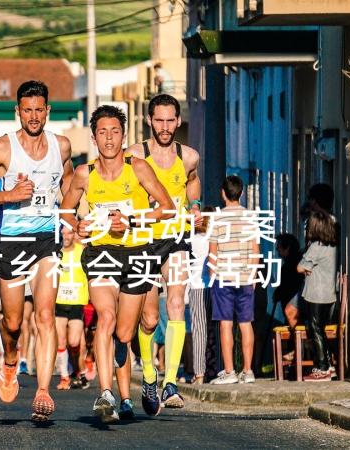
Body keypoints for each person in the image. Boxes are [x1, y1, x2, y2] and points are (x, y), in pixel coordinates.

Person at [0, 80, 74, 422]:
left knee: (45, 315)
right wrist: (9, 196)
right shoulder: (2, 148)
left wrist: (72, 217)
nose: (33, 116)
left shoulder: (62, 146)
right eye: (27, 110)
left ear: (48, 111)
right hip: (10, 241)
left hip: (46, 238)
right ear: (18, 111)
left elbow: (68, 184)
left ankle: (42, 390)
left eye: (39, 109)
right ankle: (10, 361)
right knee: (13, 322)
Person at [60, 105, 174, 423]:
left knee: (124, 333)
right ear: (94, 137)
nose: (108, 138)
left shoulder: (137, 168)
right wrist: (78, 225)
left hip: (137, 253)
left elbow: (166, 208)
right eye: (102, 132)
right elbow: (67, 210)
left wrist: (132, 220)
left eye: (114, 131)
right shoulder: (85, 174)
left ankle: (132, 387)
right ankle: (106, 393)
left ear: (123, 135)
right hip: (100, 253)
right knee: (106, 318)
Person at [125, 94, 202, 413]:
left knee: (176, 303)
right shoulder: (134, 155)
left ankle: (171, 383)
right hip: (144, 239)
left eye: (171, 120)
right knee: (148, 317)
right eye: (159, 120)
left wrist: (195, 207)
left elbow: (193, 184)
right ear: (149, 121)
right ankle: (149, 375)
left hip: (176, 237)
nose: (165, 126)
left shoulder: (189, 156)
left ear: (178, 121)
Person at [209, 176, 261, 385]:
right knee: (246, 324)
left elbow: (213, 252)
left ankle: (229, 371)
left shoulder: (218, 219)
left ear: (223, 193)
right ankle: (247, 371)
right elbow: (255, 250)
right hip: (245, 276)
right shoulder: (250, 217)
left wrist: (213, 275)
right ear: (240, 193)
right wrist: (253, 274)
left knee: (225, 324)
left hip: (223, 276)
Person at [298, 212, 338, 382]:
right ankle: (329, 365)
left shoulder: (316, 246)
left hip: (316, 294)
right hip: (329, 294)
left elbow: (300, 267)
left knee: (315, 330)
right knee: (321, 330)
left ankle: (322, 367)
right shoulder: (332, 246)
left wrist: (306, 268)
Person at [54, 226, 89, 390]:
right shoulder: (54, 253)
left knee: (74, 342)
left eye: (69, 233)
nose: (66, 236)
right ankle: (64, 377)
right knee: (61, 341)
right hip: (59, 301)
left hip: (77, 301)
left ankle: (80, 371)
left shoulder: (83, 251)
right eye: (63, 233)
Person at [186, 205, 215, 385]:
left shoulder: (193, 239)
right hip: (215, 286)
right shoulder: (215, 240)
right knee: (217, 329)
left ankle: (199, 374)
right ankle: (216, 368)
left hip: (196, 286)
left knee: (199, 331)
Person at [18, 283, 35, 375]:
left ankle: (23, 361)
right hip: (14, 284)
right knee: (15, 324)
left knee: (26, 322)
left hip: (30, 286)